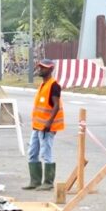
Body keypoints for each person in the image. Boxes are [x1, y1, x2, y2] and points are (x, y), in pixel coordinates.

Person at [22, 58, 65, 191]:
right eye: (40, 67)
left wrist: (49, 122)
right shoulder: (43, 85)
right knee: (32, 152)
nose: (40, 69)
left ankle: (48, 182)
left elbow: (56, 106)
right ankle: (35, 181)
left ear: (51, 69)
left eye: (43, 67)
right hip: (37, 126)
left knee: (46, 153)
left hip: (47, 127)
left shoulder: (54, 85)